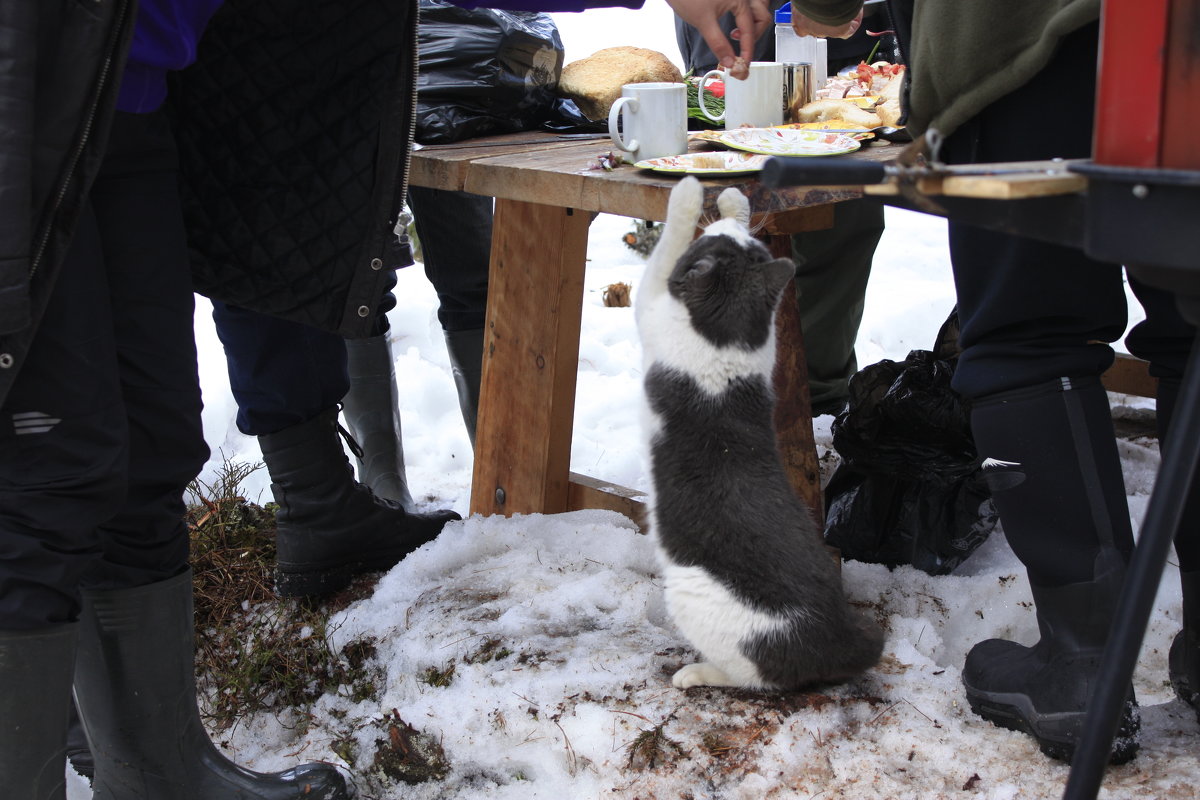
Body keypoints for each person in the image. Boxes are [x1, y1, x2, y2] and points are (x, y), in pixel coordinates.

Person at [2, 0, 773, 795]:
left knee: (147, 448)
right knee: (50, 472)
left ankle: (157, 776)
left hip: (132, 99)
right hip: (28, 86)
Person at [788, 0, 1198, 765]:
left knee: (1029, 327)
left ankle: (1083, 669)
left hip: (1024, 36)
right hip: (1181, 36)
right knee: (1194, 319)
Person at [675, 0, 891, 416]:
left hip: (833, 51)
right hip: (737, 34)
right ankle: (722, 392)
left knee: (842, 215)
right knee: (729, 213)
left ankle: (815, 393)